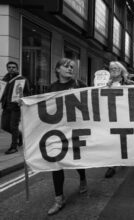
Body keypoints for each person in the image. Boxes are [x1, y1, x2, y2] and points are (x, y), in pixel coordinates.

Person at [47, 58, 88, 215]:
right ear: (57, 69)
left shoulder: (80, 84)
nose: (70, 69)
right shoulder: (52, 87)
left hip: (76, 129)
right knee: (56, 163)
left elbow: (94, 98)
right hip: (58, 131)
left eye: (72, 67)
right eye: (66, 66)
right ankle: (59, 199)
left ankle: (83, 179)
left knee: (77, 159)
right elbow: (42, 106)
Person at [104, 61, 134, 178]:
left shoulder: (129, 83)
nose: (114, 70)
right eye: (111, 68)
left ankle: (123, 158)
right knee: (112, 140)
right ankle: (112, 165)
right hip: (110, 116)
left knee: (123, 139)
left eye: (116, 68)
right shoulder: (105, 84)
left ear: (121, 70)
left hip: (125, 116)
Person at [1, 61, 30, 154]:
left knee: (13, 126)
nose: (11, 69)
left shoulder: (22, 79)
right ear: (7, 68)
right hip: (6, 106)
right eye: (9, 67)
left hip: (16, 106)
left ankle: (14, 147)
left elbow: (27, 93)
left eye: (13, 67)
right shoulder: (4, 79)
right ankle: (19, 135)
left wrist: (21, 99)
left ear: (17, 68)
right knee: (4, 126)